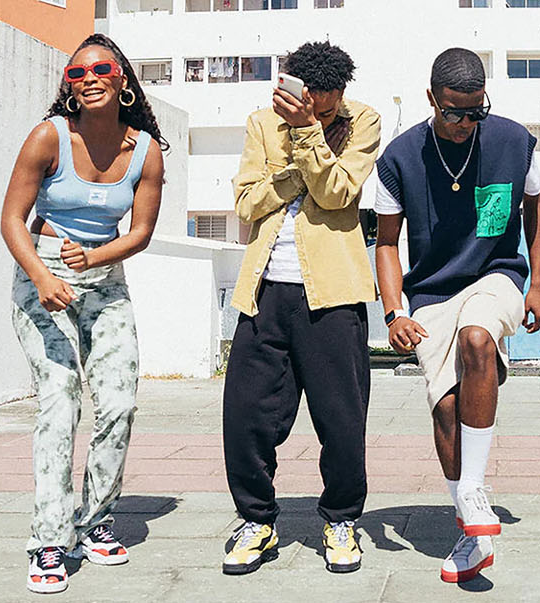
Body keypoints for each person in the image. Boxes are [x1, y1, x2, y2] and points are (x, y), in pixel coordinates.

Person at [372, 47, 540, 584]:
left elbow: (535, 207)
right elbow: (385, 243)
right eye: (455, 112)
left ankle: (473, 491)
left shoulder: (513, 141)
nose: (467, 123)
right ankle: (470, 530)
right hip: (430, 292)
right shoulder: (398, 158)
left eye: (477, 111)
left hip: (497, 274)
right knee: (446, 408)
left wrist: (537, 282)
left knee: (477, 340)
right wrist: (392, 311)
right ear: (432, 100)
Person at [0, 33, 167, 594]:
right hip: (42, 274)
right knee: (60, 396)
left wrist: (94, 257)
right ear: (68, 88)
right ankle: (49, 539)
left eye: (100, 69)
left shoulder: (145, 150)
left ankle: (94, 521)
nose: (89, 78)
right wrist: (44, 277)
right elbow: (11, 221)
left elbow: (140, 232)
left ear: (122, 80)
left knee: (119, 401)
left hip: (106, 277)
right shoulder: (48, 137)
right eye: (76, 74)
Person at [219, 41, 382, 576]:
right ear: (297, 88)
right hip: (264, 289)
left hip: (333, 293)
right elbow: (246, 203)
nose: (327, 106)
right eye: (317, 98)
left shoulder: (363, 122)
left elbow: (337, 192)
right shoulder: (262, 123)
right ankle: (257, 521)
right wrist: (293, 165)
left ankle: (340, 520)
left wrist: (310, 132)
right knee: (246, 415)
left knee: (341, 418)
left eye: (335, 98)